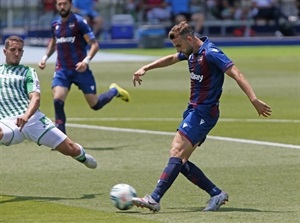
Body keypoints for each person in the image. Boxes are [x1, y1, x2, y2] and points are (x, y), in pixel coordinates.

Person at [131, 21, 272, 212]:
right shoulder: (191, 52)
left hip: (204, 112)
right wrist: (146, 67)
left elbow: (236, 73)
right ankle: (216, 193)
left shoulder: (211, 53)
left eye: (179, 45)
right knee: (180, 161)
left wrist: (253, 99)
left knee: (176, 153)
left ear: (189, 39)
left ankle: (154, 198)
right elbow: (172, 58)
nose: (179, 49)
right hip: (194, 110)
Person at [0, 35, 97, 170]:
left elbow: (35, 98)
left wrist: (26, 116)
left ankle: (82, 156)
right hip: (7, 123)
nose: (16, 53)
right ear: (5, 51)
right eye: (13, 50)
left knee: (71, 149)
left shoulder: (27, 72)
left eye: (20, 50)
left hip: (32, 120)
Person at [38, 0, 130, 134]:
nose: (62, 7)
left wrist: (86, 61)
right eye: (59, 4)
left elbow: (94, 45)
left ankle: (114, 91)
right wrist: (45, 58)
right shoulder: (55, 24)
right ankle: (60, 135)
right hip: (62, 70)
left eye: (65, 4)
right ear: (56, 6)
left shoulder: (79, 22)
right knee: (58, 99)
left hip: (80, 69)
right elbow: (53, 42)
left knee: (95, 105)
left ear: (70, 5)